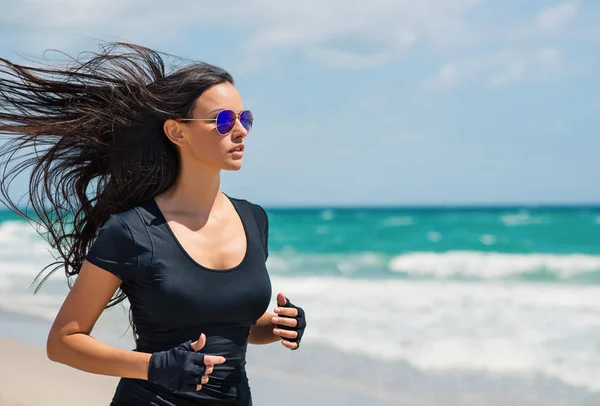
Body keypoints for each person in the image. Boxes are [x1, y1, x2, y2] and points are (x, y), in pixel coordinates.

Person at [0, 42, 307, 406]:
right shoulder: (132, 231)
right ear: (178, 133)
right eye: (224, 120)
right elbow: (64, 342)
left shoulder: (253, 219)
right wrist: (153, 366)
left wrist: (275, 326)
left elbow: (231, 322)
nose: (240, 131)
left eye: (246, 119)